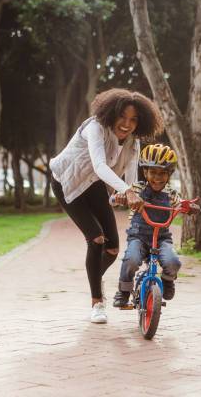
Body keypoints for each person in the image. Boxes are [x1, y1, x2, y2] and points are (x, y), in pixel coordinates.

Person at [50, 88, 163, 324]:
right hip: (67, 183)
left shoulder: (133, 141)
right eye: (122, 117)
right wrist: (126, 191)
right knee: (96, 239)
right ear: (111, 113)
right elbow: (100, 166)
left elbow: (132, 174)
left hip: (94, 187)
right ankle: (97, 303)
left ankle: (94, 277)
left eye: (133, 120)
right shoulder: (95, 128)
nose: (127, 124)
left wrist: (127, 194)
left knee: (112, 249)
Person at [109, 144, 200, 308]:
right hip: (138, 236)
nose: (157, 178)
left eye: (162, 173)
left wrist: (189, 207)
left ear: (169, 174)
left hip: (162, 238)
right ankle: (124, 290)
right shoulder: (136, 189)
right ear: (145, 172)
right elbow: (115, 198)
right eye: (153, 172)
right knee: (131, 259)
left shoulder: (171, 193)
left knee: (173, 262)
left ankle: (167, 280)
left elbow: (180, 203)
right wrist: (119, 198)